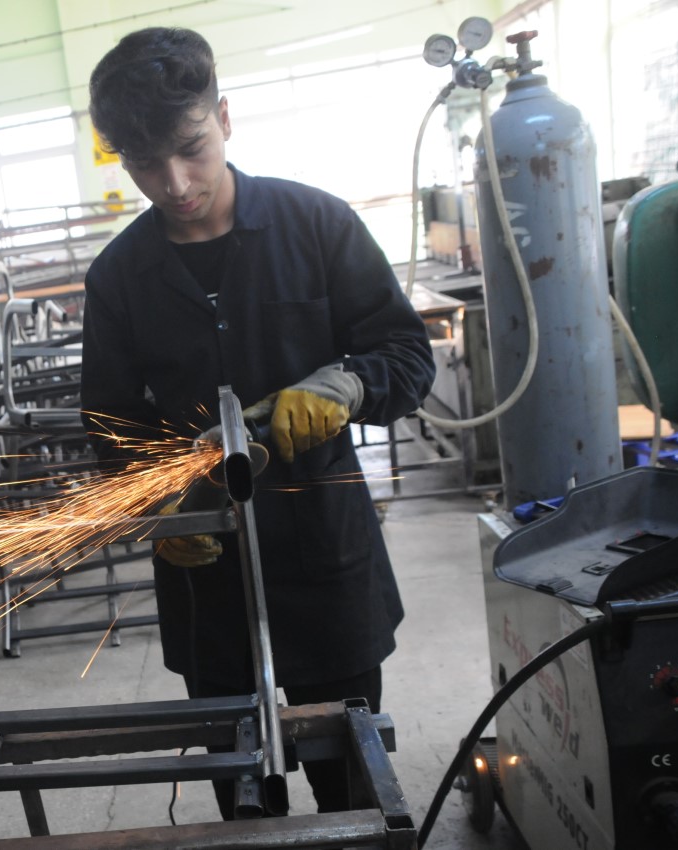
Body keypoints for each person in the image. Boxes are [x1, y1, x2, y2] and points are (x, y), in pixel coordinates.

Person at [81, 27, 436, 817]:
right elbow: (109, 424)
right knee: (244, 804)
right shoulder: (119, 279)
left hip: (325, 561)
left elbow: (408, 355)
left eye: (191, 150)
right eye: (145, 164)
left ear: (224, 118)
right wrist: (161, 505)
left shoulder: (317, 224)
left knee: (352, 797)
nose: (174, 184)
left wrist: (349, 383)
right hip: (205, 577)